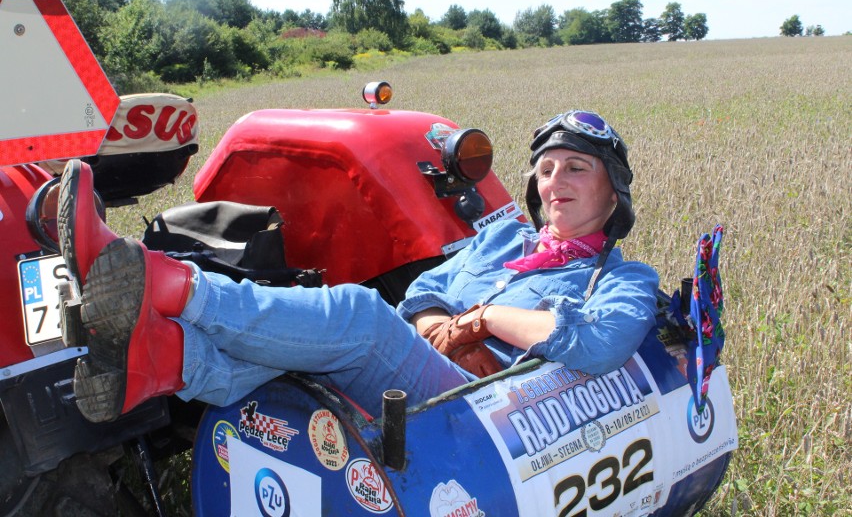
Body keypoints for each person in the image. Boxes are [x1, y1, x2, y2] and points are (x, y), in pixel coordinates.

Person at [58, 110, 660, 424]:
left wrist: (484, 319)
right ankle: (161, 361)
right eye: (547, 169)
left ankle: (164, 282)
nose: (556, 182)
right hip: (436, 366)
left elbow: (600, 344)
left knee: (357, 314)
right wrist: (436, 330)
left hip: (490, 409)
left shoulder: (624, 279)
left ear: (614, 194)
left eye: (577, 168)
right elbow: (424, 291)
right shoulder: (504, 240)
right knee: (298, 355)